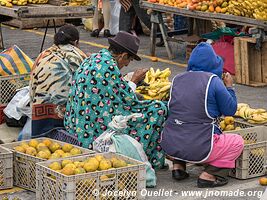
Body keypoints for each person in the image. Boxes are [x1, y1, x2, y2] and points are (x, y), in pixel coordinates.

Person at [64, 31, 168, 169]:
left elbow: (111, 94)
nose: (126, 65)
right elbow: (127, 102)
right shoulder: (109, 67)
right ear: (123, 56)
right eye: (128, 60)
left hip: (78, 122)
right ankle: (145, 159)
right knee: (158, 109)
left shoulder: (94, 58)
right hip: (94, 129)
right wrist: (134, 80)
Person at [161, 42, 244, 188]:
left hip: (171, 144)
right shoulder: (213, 80)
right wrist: (230, 87)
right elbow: (230, 110)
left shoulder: (177, 79)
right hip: (200, 147)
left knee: (183, 127)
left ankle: (178, 167)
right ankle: (209, 175)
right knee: (237, 141)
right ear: (213, 63)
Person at [30, 24, 87, 137]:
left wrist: (34, 108)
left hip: (41, 118)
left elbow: (32, 85)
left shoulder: (43, 55)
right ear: (76, 42)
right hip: (66, 117)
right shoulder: (80, 55)